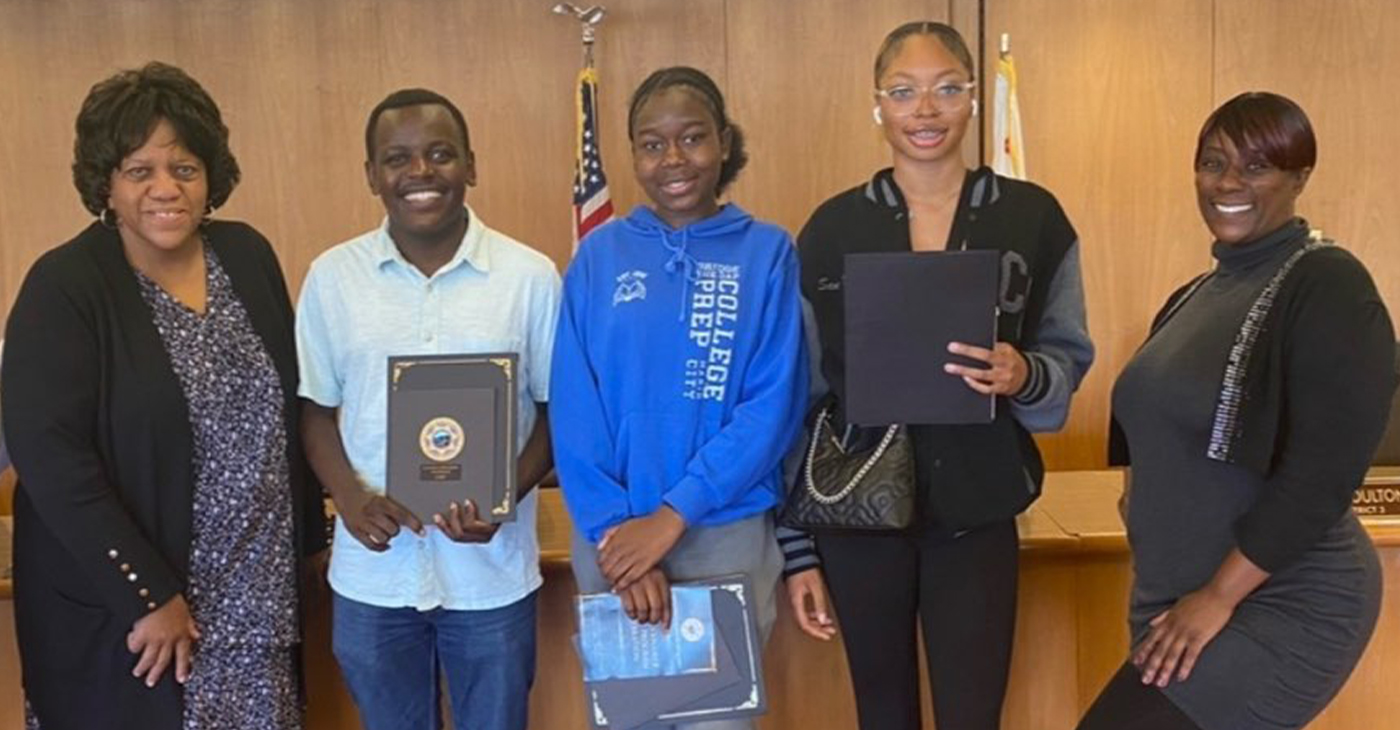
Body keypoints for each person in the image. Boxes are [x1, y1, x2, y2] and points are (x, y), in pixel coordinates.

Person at [781, 21, 1095, 730]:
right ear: (878, 105)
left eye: (947, 89)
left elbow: (1066, 360)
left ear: (974, 100)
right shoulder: (832, 230)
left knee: (972, 716)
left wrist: (1026, 375)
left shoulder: (1032, 218)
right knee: (882, 714)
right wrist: (795, 545)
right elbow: (798, 396)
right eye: (904, 92)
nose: (925, 110)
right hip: (857, 520)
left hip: (977, 514)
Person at [0, 62, 328, 730]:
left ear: (210, 177)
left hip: (254, 609)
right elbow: (52, 461)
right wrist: (147, 594)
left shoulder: (246, 255)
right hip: (134, 620)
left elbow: (290, 410)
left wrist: (310, 546)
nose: (164, 189)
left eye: (183, 168)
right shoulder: (64, 286)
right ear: (107, 185)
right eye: (138, 170)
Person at [1078, 93, 1394, 730]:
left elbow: (1322, 476)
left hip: (1282, 597)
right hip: (1180, 596)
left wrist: (1218, 596)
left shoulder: (1326, 282)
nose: (1227, 182)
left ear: (1299, 177)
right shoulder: (1194, 294)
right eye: (1213, 162)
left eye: (1256, 167)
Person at [550, 66, 807, 729]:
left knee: (716, 723)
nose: (673, 160)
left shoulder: (767, 253)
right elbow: (576, 412)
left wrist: (669, 519)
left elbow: (771, 408)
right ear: (633, 153)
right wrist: (619, 536)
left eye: (691, 138)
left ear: (723, 142)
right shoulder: (597, 257)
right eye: (651, 143)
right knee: (634, 722)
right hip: (612, 540)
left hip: (721, 534)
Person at [295, 88, 559, 730]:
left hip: (490, 575)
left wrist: (501, 495)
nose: (420, 173)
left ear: (471, 165)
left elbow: (557, 415)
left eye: (440, 154)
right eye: (398, 158)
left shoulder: (529, 277)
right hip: (374, 578)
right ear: (371, 175)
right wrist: (350, 502)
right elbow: (314, 410)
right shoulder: (333, 278)